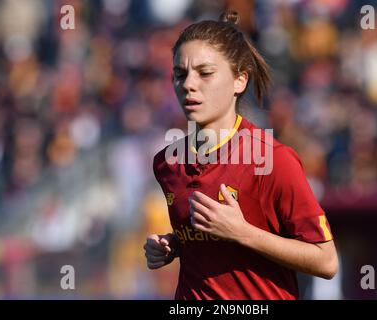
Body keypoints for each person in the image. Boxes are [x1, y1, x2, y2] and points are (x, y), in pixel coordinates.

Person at [144, 10, 338, 300]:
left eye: (205, 73)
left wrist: (242, 232)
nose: (188, 84)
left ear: (240, 80)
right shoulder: (167, 163)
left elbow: (326, 261)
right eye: (180, 74)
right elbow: (216, 248)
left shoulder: (273, 160)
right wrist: (175, 245)